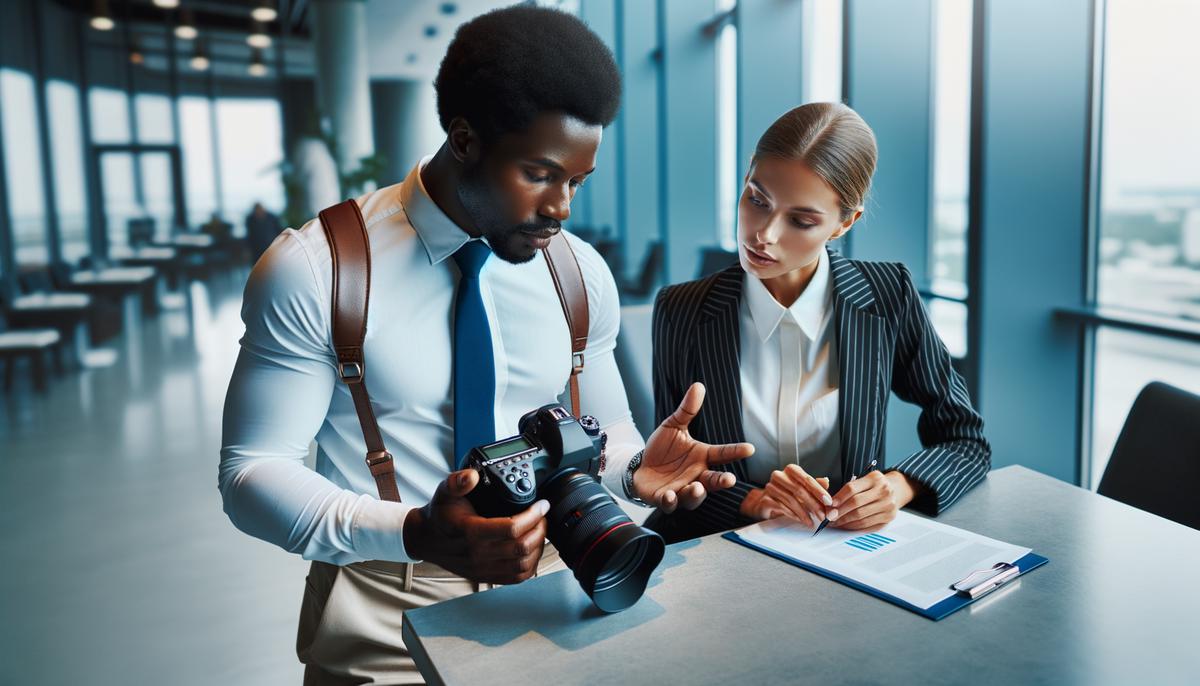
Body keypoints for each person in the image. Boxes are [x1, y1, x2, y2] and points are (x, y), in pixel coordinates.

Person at [218, 7, 751, 684]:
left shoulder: (578, 272)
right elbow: (251, 473)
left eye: (576, 181)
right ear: (464, 139)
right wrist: (416, 531)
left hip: (560, 585)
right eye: (539, 173)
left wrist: (636, 468)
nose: (562, 208)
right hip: (387, 607)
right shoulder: (317, 269)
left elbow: (609, 431)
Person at [647, 102, 990, 543]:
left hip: (844, 560)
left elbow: (965, 439)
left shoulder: (888, 297)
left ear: (844, 224)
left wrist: (897, 487)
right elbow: (673, 470)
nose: (763, 235)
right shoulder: (682, 310)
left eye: (801, 220)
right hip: (720, 559)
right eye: (756, 199)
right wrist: (754, 502)